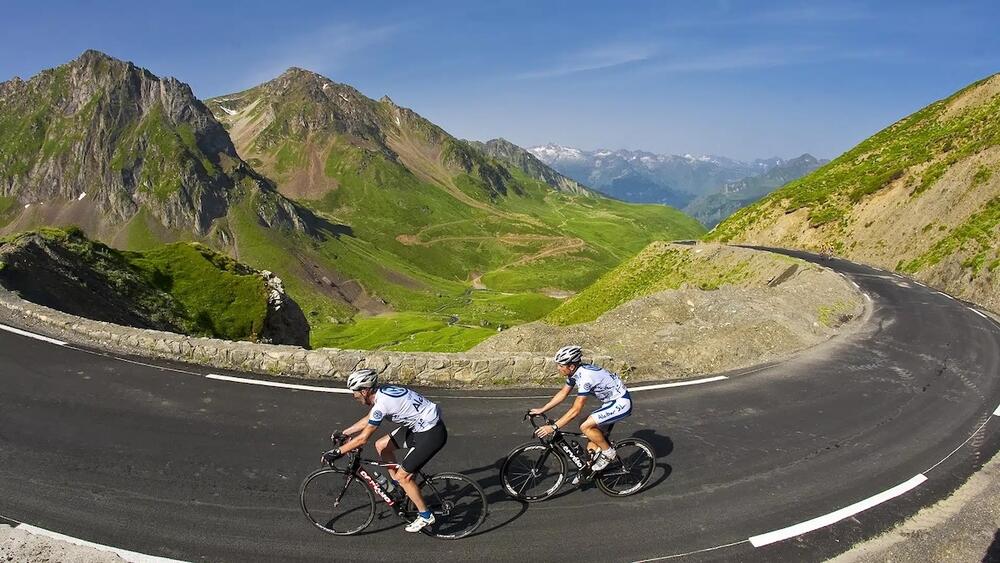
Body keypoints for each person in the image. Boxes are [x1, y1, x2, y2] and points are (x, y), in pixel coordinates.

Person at [323, 369, 447, 533]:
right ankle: (399, 486)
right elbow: (370, 418)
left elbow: (363, 439)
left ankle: (425, 515)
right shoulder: (382, 393)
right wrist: (346, 432)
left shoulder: (382, 403)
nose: (354, 396)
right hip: (421, 426)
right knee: (382, 445)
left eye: (355, 392)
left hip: (431, 434)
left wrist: (337, 452)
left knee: (404, 476)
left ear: (365, 390)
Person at [530, 345, 632, 474]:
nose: (558, 368)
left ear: (571, 366)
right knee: (588, 431)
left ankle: (609, 453)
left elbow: (575, 410)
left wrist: (554, 427)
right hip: (610, 402)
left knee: (585, 426)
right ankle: (587, 471)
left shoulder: (585, 377)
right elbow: (563, 393)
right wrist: (542, 409)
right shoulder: (575, 372)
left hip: (621, 403)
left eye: (561, 366)